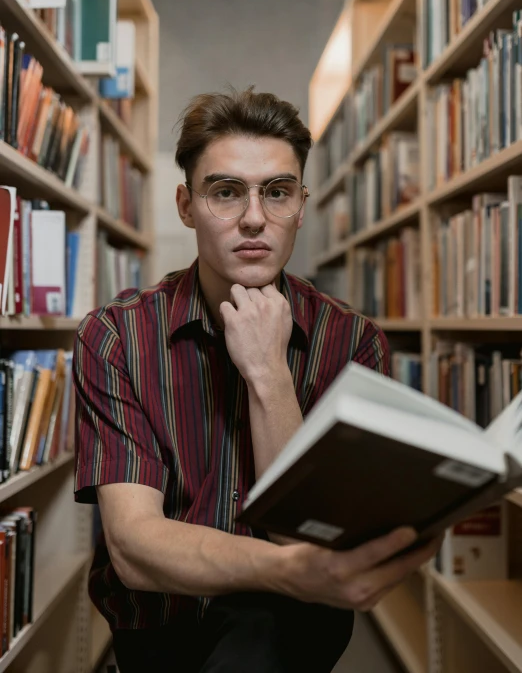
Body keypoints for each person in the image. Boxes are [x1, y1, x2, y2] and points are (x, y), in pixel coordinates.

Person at [73, 87, 439, 673]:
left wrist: (269, 371)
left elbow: (309, 536)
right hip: (160, 638)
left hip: (294, 639)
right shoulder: (118, 337)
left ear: (300, 205)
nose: (253, 218)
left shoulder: (353, 342)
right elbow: (134, 550)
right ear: (186, 206)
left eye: (277, 192)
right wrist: (287, 570)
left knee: (265, 632)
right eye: (225, 191)